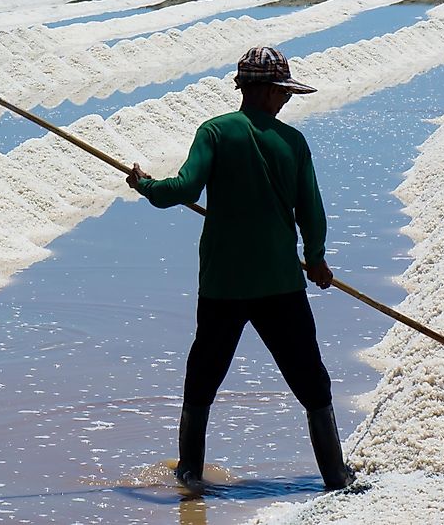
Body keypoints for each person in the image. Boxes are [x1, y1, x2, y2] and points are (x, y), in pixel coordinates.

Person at [126, 46, 357, 493]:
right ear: (266, 90)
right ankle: (335, 474)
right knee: (311, 379)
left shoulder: (214, 132)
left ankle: (189, 474)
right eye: (283, 92)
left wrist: (145, 185)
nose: (286, 100)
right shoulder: (293, 142)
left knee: (202, 379)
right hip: (279, 284)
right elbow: (311, 209)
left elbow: (183, 187)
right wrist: (316, 259)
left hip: (223, 284)